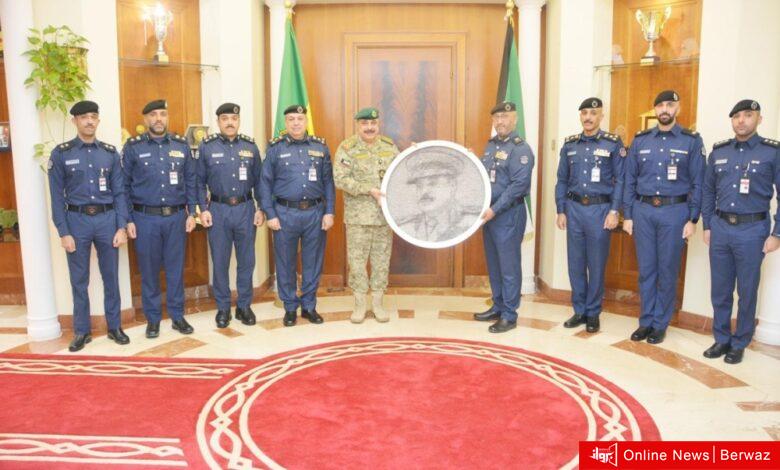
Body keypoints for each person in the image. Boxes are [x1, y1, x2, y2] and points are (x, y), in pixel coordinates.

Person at [623, 90, 705, 344]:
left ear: (678, 108)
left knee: (667, 271)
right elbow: (629, 180)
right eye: (660, 106)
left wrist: (693, 218)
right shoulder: (640, 140)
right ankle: (645, 321)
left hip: (674, 212)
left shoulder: (691, 141)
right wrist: (628, 214)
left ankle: (660, 323)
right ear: (655, 110)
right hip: (644, 211)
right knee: (646, 270)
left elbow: (698, 183)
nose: (665, 110)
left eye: (670, 105)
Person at [701, 99, 780, 364]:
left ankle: (740, 341)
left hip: (753, 230)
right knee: (720, 290)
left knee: (747, 291)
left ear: (759, 119)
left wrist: (777, 233)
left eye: (748, 115)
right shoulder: (719, 152)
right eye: (737, 117)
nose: (742, 121)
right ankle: (721, 338)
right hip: (721, 228)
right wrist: (708, 225)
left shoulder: (772, 152)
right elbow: (708, 190)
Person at [48, 100, 129, 352]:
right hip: (77, 221)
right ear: (75, 121)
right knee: (79, 280)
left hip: (107, 220)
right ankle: (82, 331)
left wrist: (121, 226)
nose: (89, 121)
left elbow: (120, 193)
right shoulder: (61, 154)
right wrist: (64, 232)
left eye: (93, 116)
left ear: (98, 120)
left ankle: (114, 327)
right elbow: (56, 197)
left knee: (111, 277)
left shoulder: (109, 153)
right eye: (84, 117)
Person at [122, 99, 198, 338]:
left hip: (176, 217)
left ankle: (177, 316)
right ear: (145, 119)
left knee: (176, 270)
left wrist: (192, 212)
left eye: (162, 114)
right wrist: (128, 219)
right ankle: (153, 319)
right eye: (153, 114)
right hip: (145, 219)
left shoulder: (181, 146)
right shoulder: (133, 148)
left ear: (167, 117)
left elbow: (191, 181)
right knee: (149, 271)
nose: (158, 119)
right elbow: (123, 186)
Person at [260, 105, 335, 327]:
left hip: (315, 213)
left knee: (313, 261)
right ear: (285, 123)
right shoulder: (275, 148)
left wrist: (329, 211)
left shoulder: (320, 147)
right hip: (284, 214)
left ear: (306, 121)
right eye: (291, 119)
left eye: (299, 119)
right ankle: (290, 307)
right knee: (285, 262)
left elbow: (328, 182)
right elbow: (265, 183)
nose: (295, 123)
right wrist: (270, 213)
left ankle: (309, 306)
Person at [555, 97, 626, 334]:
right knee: (575, 263)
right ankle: (579, 310)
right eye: (584, 113)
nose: (588, 117)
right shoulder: (570, 145)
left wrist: (614, 211)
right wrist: (561, 209)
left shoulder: (612, 144)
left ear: (601, 116)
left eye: (593, 113)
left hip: (600, 210)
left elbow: (621, 180)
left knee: (596, 264)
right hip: (574, 209)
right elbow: (562, 180)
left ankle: (593, 312)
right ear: (580, 116)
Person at [197, 103, 265, 328]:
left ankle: (244, 306)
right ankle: (223, 307)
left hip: (246, 209)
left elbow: (260, 182)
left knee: (247, 261)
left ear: (238, 121)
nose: (229, 122)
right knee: (220, 261)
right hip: (218, 209)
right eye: (225, 118)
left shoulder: (250, 146)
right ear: (218, 122)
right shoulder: (207, 147)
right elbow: (198, 182)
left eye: (233, 119)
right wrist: (203, 209)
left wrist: (261, 208)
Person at [473, 101, 535, 333]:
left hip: (507, 215)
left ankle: (509, 314)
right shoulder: (491, 145)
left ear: (514, 119)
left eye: (505, 117)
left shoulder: (520, 149)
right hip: (490, 215)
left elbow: (518, 186)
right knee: (495, 264)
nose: (500, 121)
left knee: (509, 267)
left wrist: (494, 210)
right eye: (497, 117)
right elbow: (484, 176)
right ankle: (498, 306)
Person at [333, 107, 399, 323]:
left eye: (373, 123)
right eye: (365, 124)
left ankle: (378, 304)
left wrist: (414, 153)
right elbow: (340, 179)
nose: (369, 127)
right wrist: (368, 190)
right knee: (357, 262)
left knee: (381, 262)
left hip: (383, 217)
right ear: (358, 125)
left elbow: (402, 173)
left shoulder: (389, 147)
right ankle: (360, 304)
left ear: (378, 124)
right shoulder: (347, 148)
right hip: (358, 218)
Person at [397, 151, 482, 242]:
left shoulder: (472, 221)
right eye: (419, 186)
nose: (424, 191)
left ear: (452, 186)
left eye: (432, 184)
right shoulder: (405, 227)